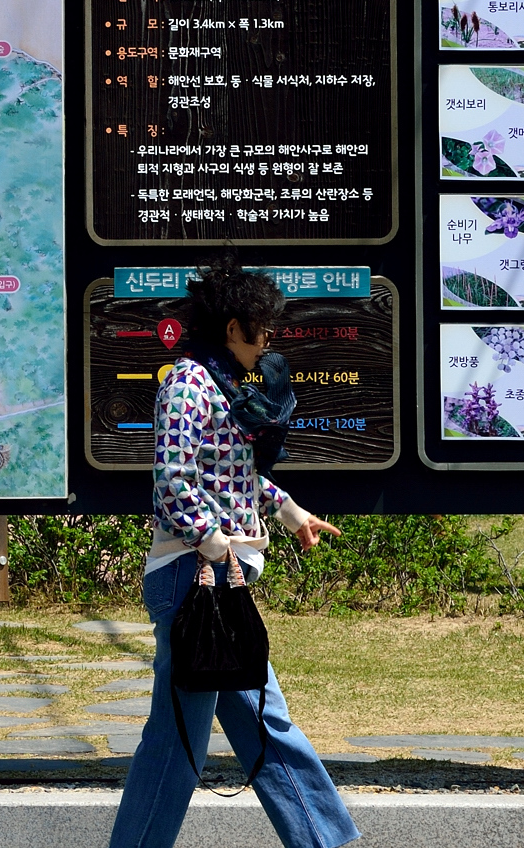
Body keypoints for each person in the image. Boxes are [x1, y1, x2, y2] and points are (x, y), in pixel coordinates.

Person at [108, 260, 360, 848]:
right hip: (193, 577)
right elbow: (172, 479)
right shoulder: (187, 384)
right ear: (231, 328)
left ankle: (322, 840)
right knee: (179, 740)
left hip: (221, 576)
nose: (268, 340)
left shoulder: (221, 383)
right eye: (261, 329)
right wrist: (213, 542)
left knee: (261, 725)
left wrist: (291, 513)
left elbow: (234, 476)